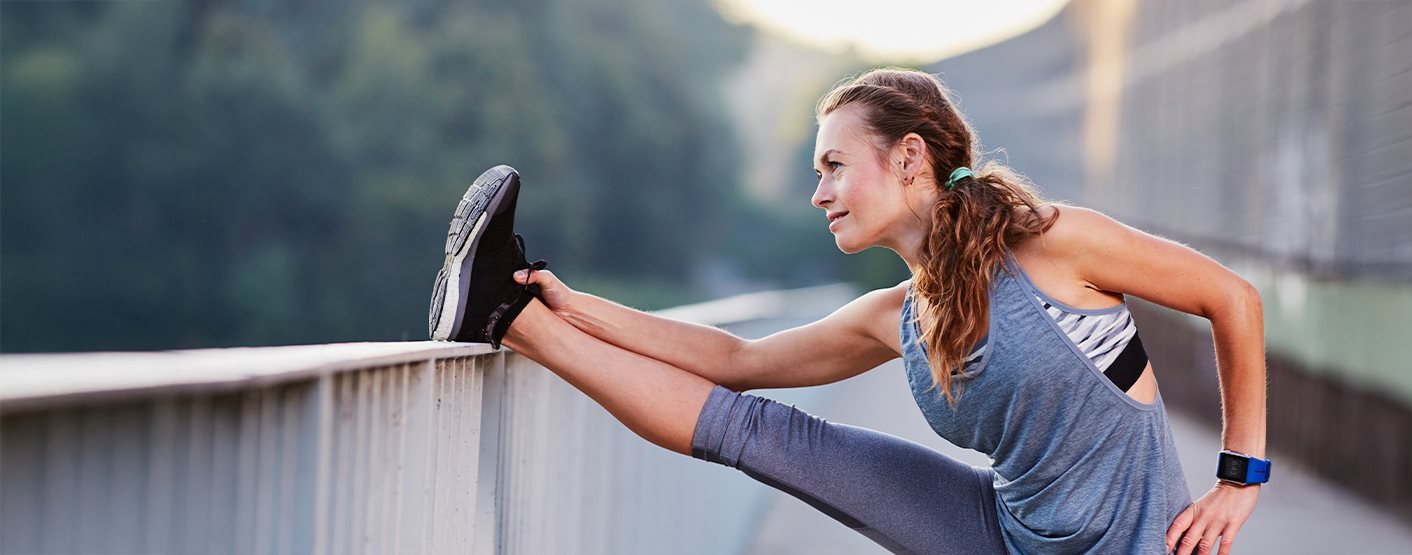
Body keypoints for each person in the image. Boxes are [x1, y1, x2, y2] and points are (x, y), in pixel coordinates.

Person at [428, 67, 1266, 554]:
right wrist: (569, 302)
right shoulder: (894, 315)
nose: (818, 191)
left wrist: (1239, 476)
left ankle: (506, 307)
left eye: (833, 165)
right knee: (768, 436)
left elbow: (1233, 299)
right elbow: (730, 360)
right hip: (1000, 529)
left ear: (909, 159)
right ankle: (507, 313)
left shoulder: (1052, 244)